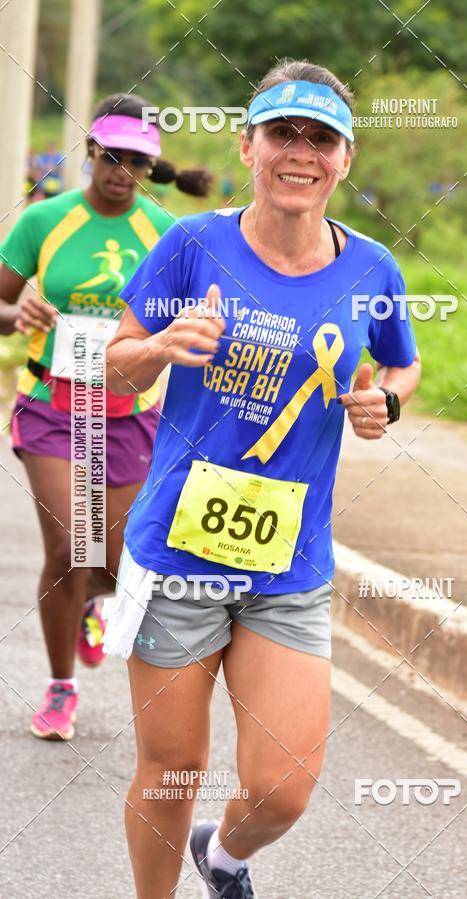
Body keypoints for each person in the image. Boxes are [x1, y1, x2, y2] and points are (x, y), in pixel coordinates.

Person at [105, 59, 421, 899]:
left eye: (322, 138)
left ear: (344, 159)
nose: (301, 152)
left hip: (291, 561)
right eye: (284, 132)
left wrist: (381, 404)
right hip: (178, 551)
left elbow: (400, 369)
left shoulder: (372, 270)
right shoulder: (191, 245)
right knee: (174, 767)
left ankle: (228, 855)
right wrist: (160, 349)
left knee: (283, 786)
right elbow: (117, 366)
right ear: (249, 145)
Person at [0, 92, 212, 742]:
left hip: (128, 410)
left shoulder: (166, 233)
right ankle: (61, 687)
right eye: (112, 157)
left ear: (152, 166)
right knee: (70, 543)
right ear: (90, 152)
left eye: (137, 162)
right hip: (52, 404)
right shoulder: (45, 220)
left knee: (119, 563)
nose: (122, 171)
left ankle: (92, 599)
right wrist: (19, 314)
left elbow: (201, 314)